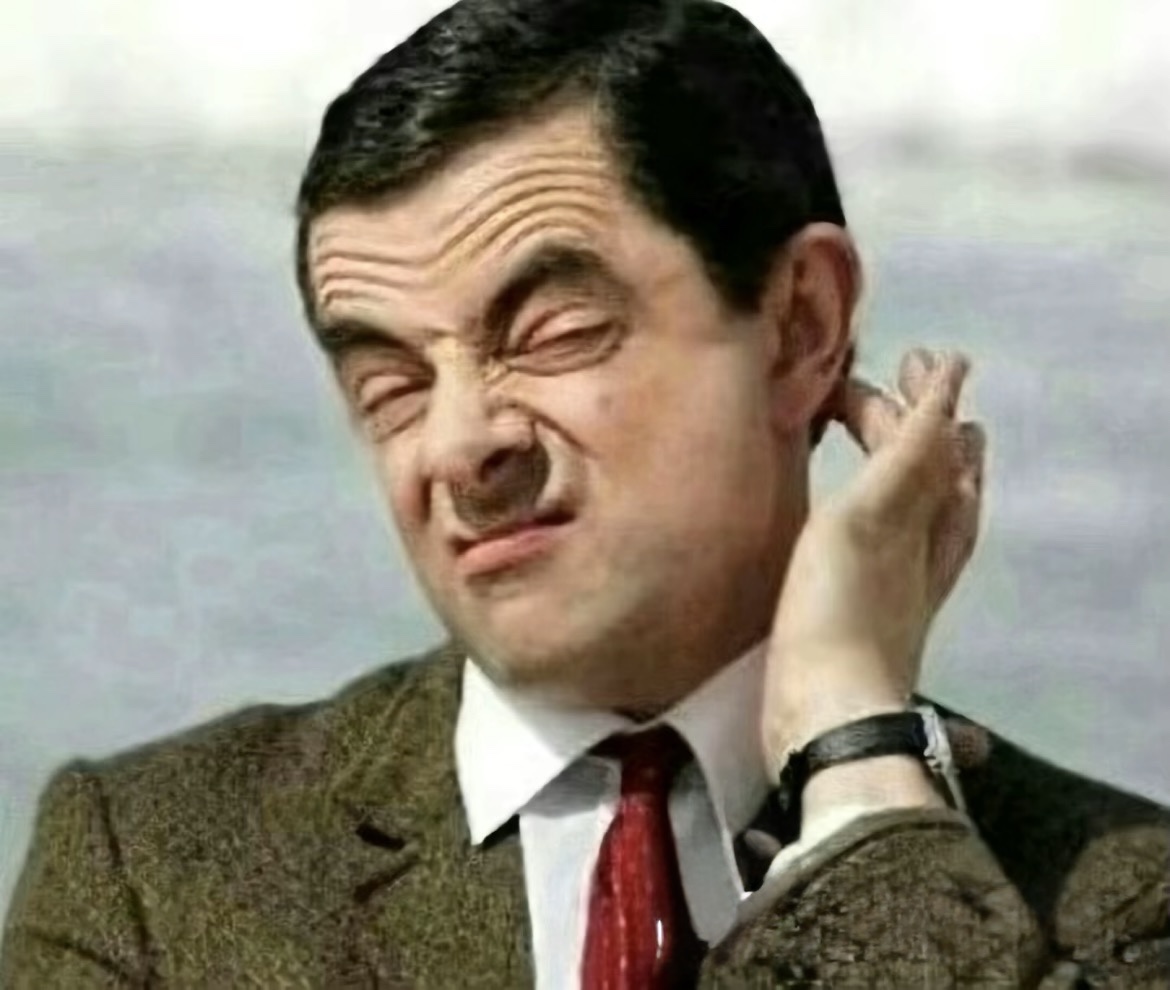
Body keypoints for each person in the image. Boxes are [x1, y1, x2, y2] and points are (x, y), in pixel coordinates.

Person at [3, 0, 1167, 986]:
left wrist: (853, 750)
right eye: (391, 387)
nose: (460, 446)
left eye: (554, 333)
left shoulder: (1123, 906)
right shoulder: (153, 870)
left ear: (800, 325)